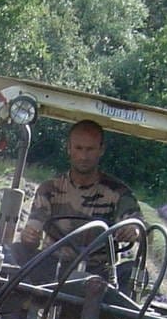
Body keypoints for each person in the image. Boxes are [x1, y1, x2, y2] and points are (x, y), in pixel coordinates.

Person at [13, 120, 142, 290]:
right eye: (78, 148)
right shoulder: (49, 189)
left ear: (100, 150)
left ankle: (112, 316)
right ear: (69, 148)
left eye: (90, 149)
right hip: (52, 266)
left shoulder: (118, 193)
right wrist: (29, 237)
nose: (83, 156)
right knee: (14, 253)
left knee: (133, 272)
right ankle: (18, 308)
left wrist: (134, 230)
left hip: (98, 274)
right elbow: (33, 229)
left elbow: (141, 228)